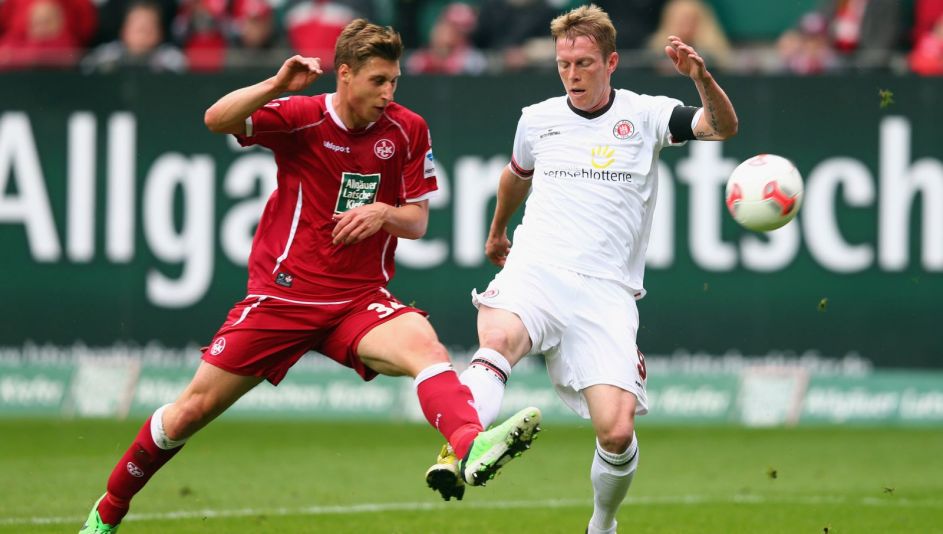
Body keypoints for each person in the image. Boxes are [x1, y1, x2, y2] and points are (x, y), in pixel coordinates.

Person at [79, 18, 541, 534]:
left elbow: (417, 218)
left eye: (394, 81)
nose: (389, 93)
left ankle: (469, 446)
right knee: (190, 412)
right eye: (378, 81)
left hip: (358, 301)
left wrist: (383, 213)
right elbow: (215, 119)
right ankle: (108, 511)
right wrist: (277, 85)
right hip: (284, 299)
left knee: (428, 351)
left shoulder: (408, 129)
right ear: (344, 74)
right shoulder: (302, 117)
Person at [423, 4, 737, 533]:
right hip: (536, 268)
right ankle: (458, 449)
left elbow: (722, 127)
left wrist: (702, 78)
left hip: (605, 291)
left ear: (611, 61)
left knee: (616, 433)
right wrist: (498, 230)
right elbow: (514, 176)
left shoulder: (646, 114)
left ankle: (602, 523)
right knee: (496, 338)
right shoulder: (537, 119)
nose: (573, 73)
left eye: (585, 63)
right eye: (564, 63)